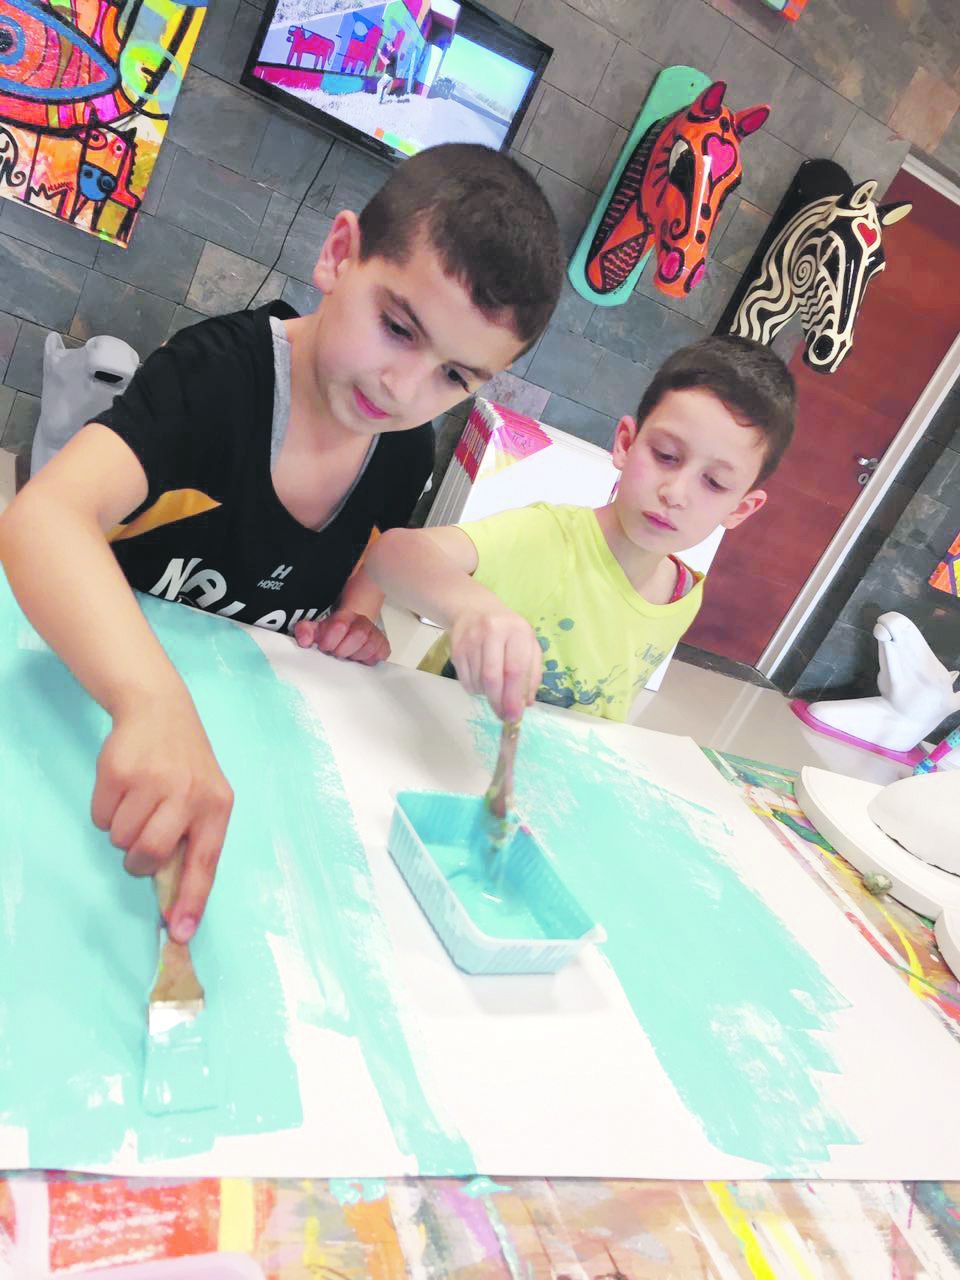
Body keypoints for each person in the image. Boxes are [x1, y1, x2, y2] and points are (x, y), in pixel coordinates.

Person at [0, 143, 563, 942]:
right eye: (398, 327)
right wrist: (150, 700)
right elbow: (43, 519)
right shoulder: (214, 378)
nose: (405, 389)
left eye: (453, 378)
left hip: (234, 748)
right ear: (338, 255)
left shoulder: (402, 447)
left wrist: (360, 610)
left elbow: (369, 548)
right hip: (88, 700)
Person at [363, 336, 795, 724]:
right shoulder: (549, 536)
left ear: (741, 508)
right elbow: (394, 555)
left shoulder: (682, 595)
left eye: (714, 483)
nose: (676, 492)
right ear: (626, 443)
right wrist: (473, 608)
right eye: (665, 455)